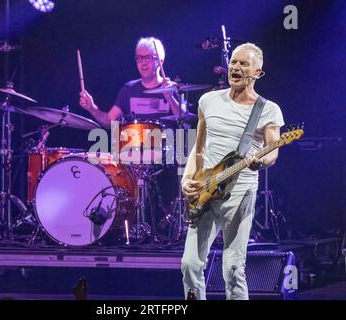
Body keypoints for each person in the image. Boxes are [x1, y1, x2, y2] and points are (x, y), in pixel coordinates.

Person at [180, 43, 285, 300]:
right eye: (233, 62)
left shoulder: (267, 109)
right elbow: (199, 147)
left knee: (233, 267)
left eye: (243, 64)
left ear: (258, 72)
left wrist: (261, 161)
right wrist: (186, 178)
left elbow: (273, 149)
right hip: (205, 189)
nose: (236, 68)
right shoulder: (208, 100)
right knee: (190, 264)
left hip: (240, 192)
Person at [79, 37, 183, 129]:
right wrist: (92, 108)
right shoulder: (129, 89)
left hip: (166, 149)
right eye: (139, 58)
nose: (143, 63)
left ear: (161, 61)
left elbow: (185, 122)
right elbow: (109, 122)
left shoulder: (173, 88)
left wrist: (171, 99)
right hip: (134, 149)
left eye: (148, 58)